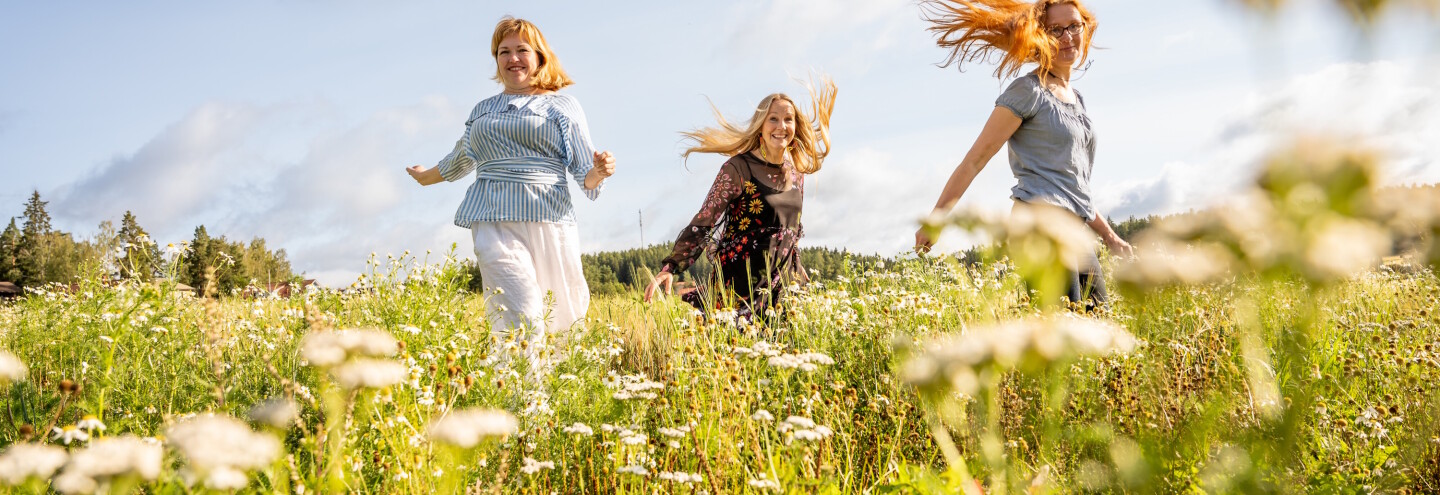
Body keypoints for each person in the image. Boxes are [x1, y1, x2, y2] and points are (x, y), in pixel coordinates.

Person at [406, 17, 616, 348]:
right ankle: (523, 396)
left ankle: (555, 394)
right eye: (504, 52)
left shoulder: (560, 105)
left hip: (549, 219)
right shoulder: (483, 110)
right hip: (492, 219)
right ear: (496, 60)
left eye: (521, 50)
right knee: (519, 313)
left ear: (540, 57)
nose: (512, 58)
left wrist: (599, 172)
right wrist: (425, 178)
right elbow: (461, 157)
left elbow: (583, 171)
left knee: (562, 316)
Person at [914, 0, 1132, 309]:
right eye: (1056, 30)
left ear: (1086, 27)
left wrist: (1110, 238)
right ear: (1040, 37)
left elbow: (1073, 187)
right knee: (1061, 331)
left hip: (1073, 227)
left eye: (1073, 26)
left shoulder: (1077, 99)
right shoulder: (1027, 91)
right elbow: (975, 159)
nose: (1067, 37)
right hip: (1039, 226)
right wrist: (936, 218)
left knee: (1099, 324)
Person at [643, 81, 837, 322]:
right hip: (740, 286)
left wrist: (801, 273)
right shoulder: (738, 168)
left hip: (783, 286)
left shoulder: (797, 174)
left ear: (795, 127)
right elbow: (705, 220)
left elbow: (790, 232)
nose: (781, 126)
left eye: (788, 119)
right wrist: (672, 266)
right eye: (773, 119)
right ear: (760, 127)